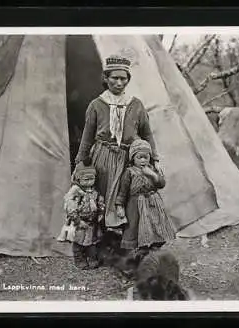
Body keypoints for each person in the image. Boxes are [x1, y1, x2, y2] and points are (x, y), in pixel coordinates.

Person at [74, 55, 162, 236]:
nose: (119, 83)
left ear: (128, 80)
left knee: (127, 198)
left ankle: (127, 242)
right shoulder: (96, 105)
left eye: (124, 79)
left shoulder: (136, 105)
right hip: (103, 157)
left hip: (128, 159)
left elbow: (147, 133)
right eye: (115, 78)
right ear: (106, 78)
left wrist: (154, 158)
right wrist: (80, 161)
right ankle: (102, 242)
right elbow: (87, 136)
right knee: (102, 198)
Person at [115, 139, 176, 259]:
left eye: (146, 157)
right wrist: (119, 206)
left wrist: (153, 175)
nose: (143, 160)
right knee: (135, 227)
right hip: (136, 205)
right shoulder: (129, 172)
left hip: (153, 203)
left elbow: (161, 184)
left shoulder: (153, 169)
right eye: (139, 157)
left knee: (156, 224)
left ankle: (154, 247)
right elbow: (123, 191)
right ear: (133, 158)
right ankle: (138, 253)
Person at [57, 162, 105, 270]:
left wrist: (101, 213)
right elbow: (70, 208)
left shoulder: (95, 192)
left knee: (92, 242)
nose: (89, 182)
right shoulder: (75, 193)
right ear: (79, 179)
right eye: (85, 180)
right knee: (79, 242)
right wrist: (77, 221)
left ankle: (92, 258)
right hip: (80, 222)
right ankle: (80, 260)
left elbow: (100, 202)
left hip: (92, 222)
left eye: (91, 179)